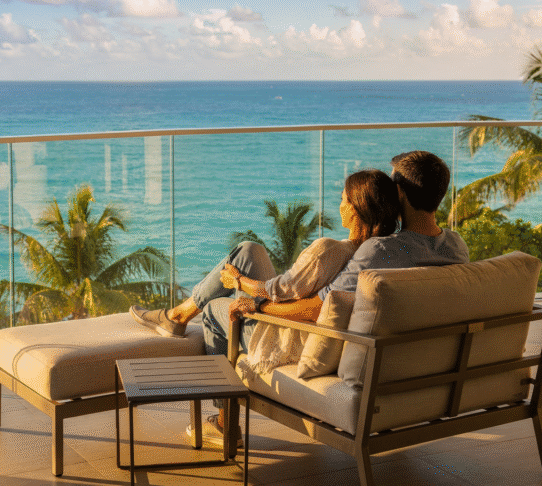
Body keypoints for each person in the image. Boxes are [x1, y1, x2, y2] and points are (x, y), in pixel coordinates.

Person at [130, 168, 402, 444]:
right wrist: (248, 288)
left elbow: (290, 293)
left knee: (214, 311)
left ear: (356, 209)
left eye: (343, 199)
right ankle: (179, 315)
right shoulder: (382, 256)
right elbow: (298, 293)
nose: (339, 204)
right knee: (249, 250)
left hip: (290, 337)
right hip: (306, 326)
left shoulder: (329, 251)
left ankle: (225, 422)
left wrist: (246, 292)